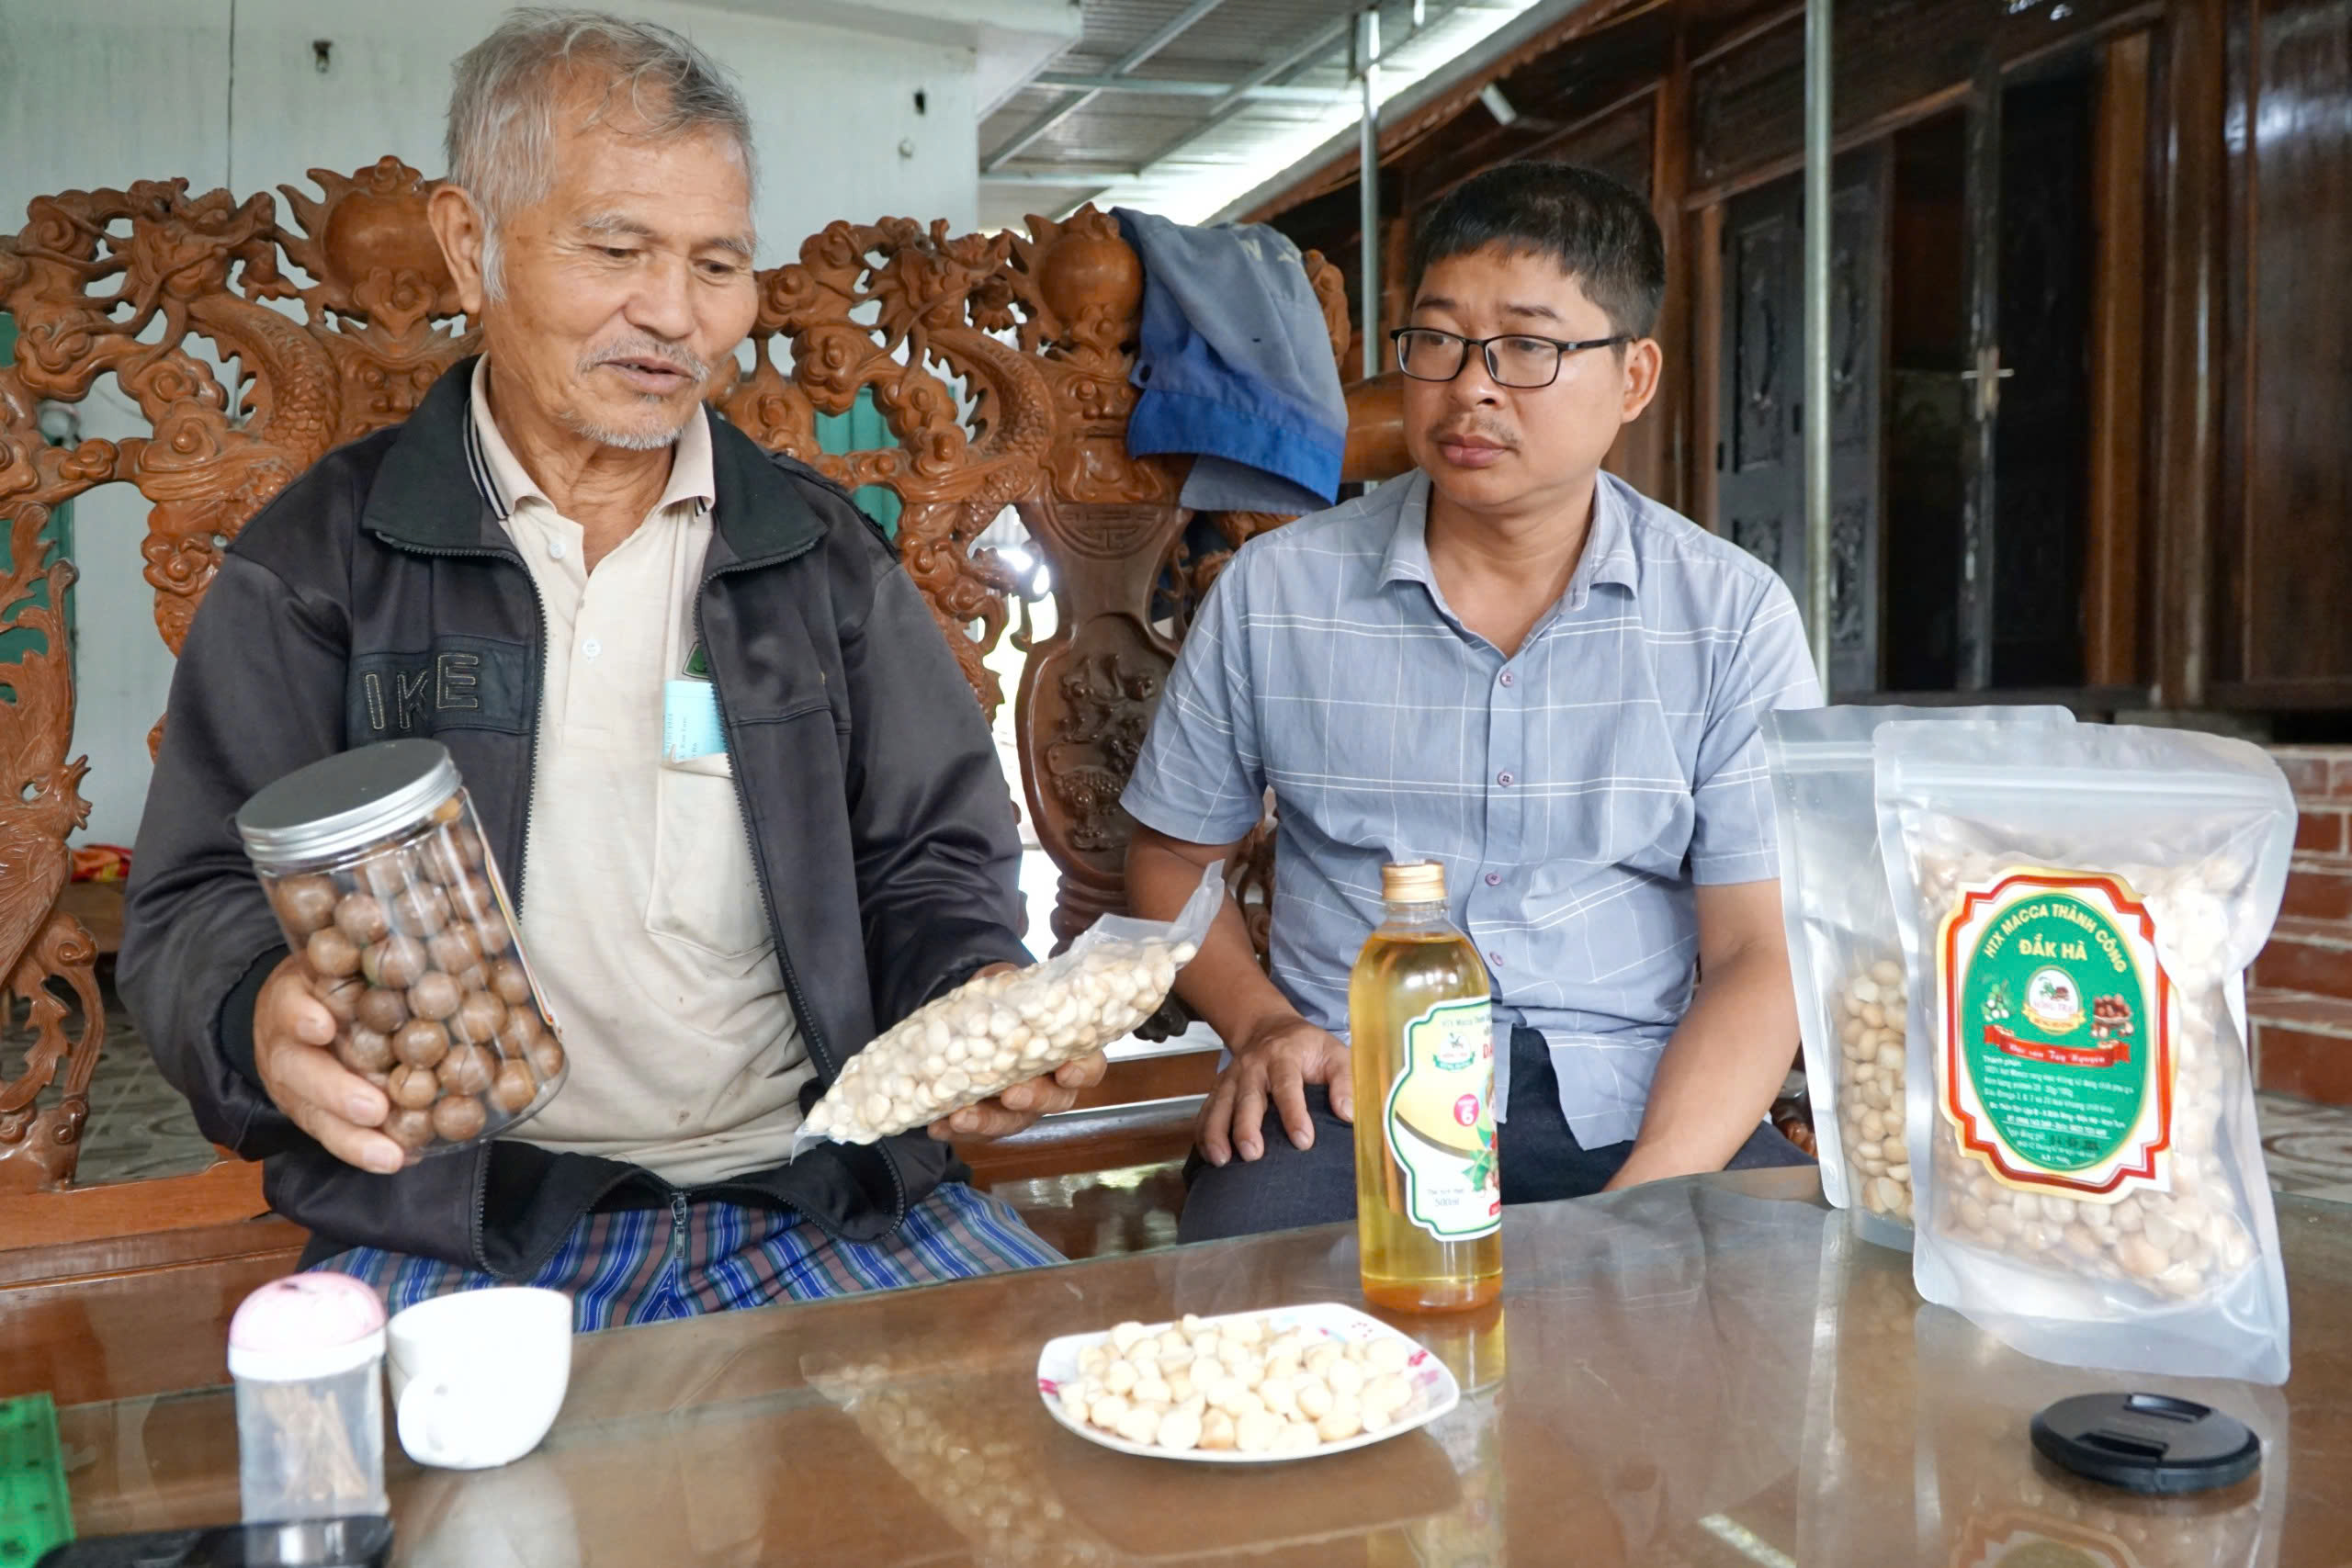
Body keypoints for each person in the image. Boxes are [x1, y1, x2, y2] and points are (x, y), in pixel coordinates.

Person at [119, 10, 1095, 1327]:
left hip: (815, 1196)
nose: (674, 315)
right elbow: (188, 904)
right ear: (473, 245)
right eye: (617, 248)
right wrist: (255, 1014)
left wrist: (971, 993)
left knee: (1074, 1464)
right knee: (385, 1523)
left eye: (718, 264)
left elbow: (931, 860)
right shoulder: (319, 566)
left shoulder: (817, 560)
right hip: (464, 1222)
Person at [1122, 163, 1821, 1243]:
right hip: (1356, 1093)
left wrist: (1647, 1198)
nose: (1471, 388)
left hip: (1640, 1090)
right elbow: (1171, 861)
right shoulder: (1279, 592)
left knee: (1769, 1321)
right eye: (1437, 341)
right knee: (1254, 1322)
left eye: (1529, 348)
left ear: (1632, 377)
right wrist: (1262, 1027)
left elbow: (1754, 953)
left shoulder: (1729, 615)